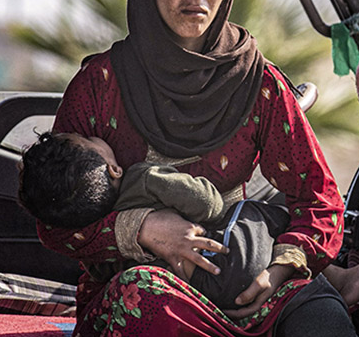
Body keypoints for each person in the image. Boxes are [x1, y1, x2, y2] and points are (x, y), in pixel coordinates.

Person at [34, 0, 359, 337]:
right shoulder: (100, 84)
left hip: (250, 271)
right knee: (157, 311)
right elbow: (54, 219)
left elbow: (318, 201)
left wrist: (279, 272)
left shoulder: (259, 83)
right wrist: (143, 229)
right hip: (149, 284)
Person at [19, 130, 290, 311]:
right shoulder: (144, 179)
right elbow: (210, 205)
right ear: (114, 169)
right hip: (230, 264)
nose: (93, 134)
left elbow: (101, 272)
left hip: (201, 298)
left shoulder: (101, 240)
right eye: (89, 139)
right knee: (259, 210)